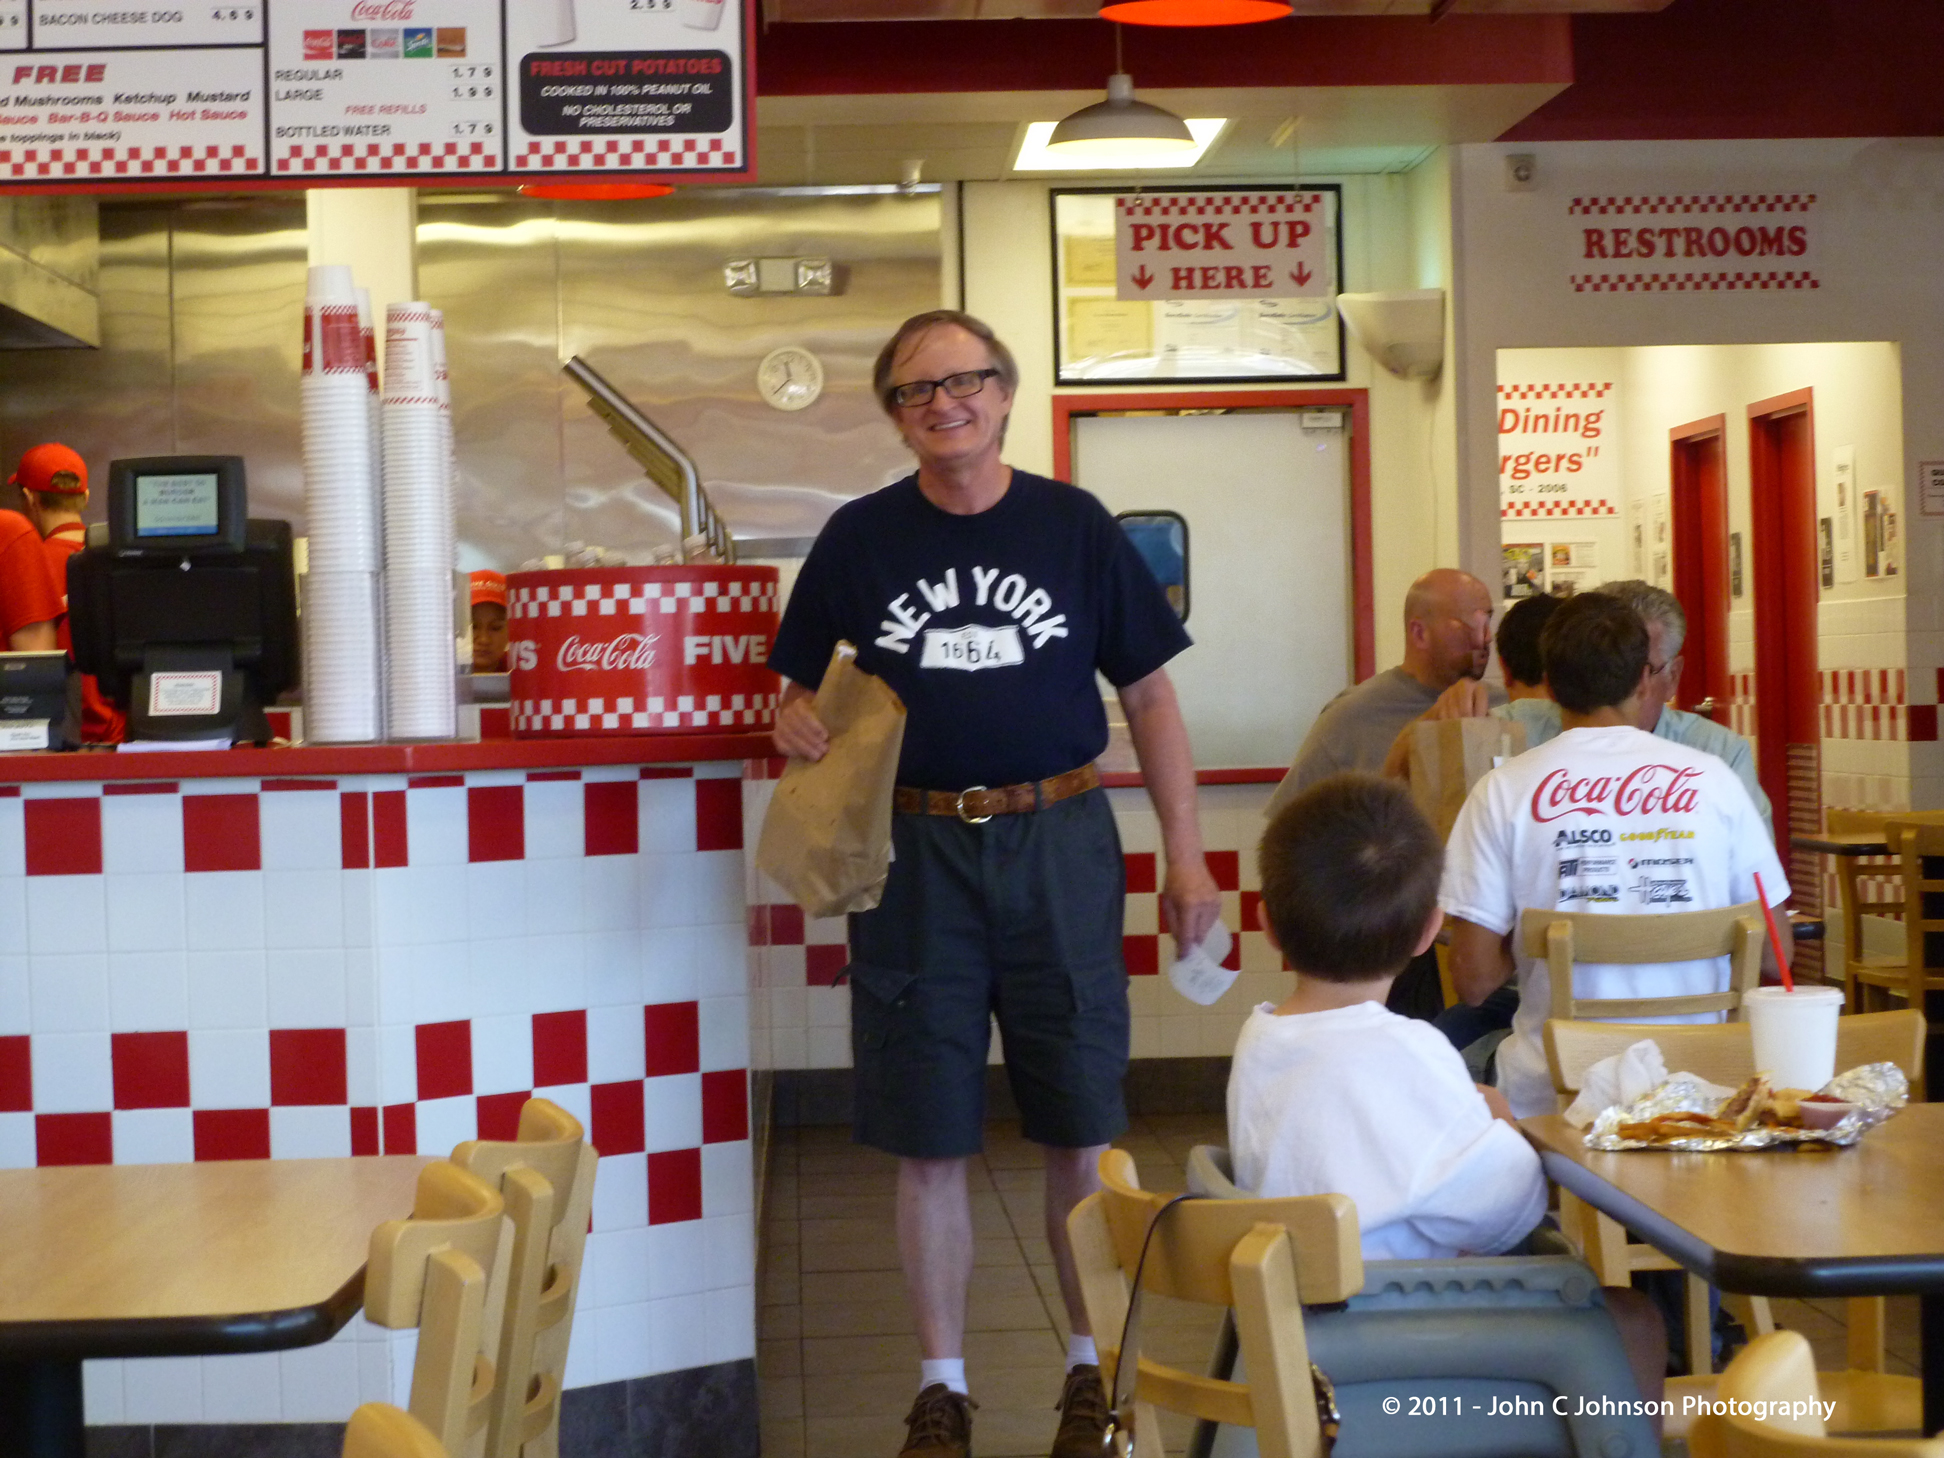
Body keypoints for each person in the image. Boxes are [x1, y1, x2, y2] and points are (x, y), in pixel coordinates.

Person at [766, 309, 1220, 1458]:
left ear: (1006, 394)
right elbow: (800, 693)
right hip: (913, 857)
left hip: (1060, 835)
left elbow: (1154, 700)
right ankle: (942, 1384)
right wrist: (796, 717)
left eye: (965, 381)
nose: (945, 404)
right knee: (927, 1132)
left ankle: (1086, 1369)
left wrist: (1185, 854)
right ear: (897, 415)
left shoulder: (1073, 527)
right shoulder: (859, 539)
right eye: (918, 392)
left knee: (1078, 1116)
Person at [1230, 772, 1665, 1411]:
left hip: (1295, 1333)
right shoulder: (1409, 1050)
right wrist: (1503, 1127)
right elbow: (1506, 1208)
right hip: (1390, 1345)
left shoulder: (1260, 1037)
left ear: (1266, 922)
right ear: (1430, 930)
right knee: (1633, 1322)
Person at [1440, 591, 1789, 1123]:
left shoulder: (1502, 791)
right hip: (1702, 1092)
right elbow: (1776, 952)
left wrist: (1530, 937)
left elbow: (1472, 981)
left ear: (1550, 686)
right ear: (1644, 680)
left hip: (1555, 1098)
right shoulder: (1716, 781)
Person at [1491, 580, 1771, 837]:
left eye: (1637, 669)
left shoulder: (1718, 755)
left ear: (1672, 677)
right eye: (1601, 664)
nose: (1613, 682)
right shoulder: (1518, 730)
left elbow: (1754, 877)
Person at [1265, 567, 1501, 816]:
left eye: (1488, 621)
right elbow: (1287, 832)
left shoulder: (1504, 707)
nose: (1485, 637)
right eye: (1470, 625)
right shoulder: (1351, 718)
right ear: (1420, 633)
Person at [13, 443, 124, 743]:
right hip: (125, 739)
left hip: (62, 741)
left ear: (28, 498)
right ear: (85, 498)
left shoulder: (25, 567)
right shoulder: (121, 563)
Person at [469, 570, 509, 674]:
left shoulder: (524, 673)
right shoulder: (432, 677)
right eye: (473, 626)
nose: (484, 640)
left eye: (495, 628)